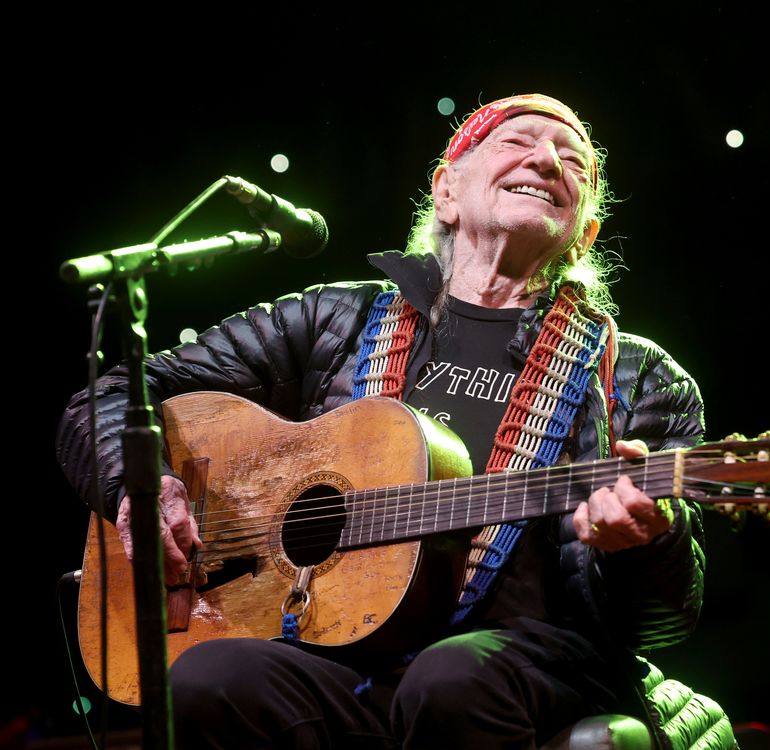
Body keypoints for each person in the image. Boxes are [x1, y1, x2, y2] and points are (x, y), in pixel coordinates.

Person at [57, 94, 708, 749]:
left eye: (574, 162)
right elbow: (110, 394)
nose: (547, 159)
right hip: (337, 659)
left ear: (584, 232)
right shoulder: (333, 321)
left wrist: (648, 540)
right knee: (205, 675)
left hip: (523, 661)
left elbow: (663, 619)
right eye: (519, 142)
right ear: (447, 191)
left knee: (446, 677)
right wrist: (142, 491)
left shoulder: (638, 377)